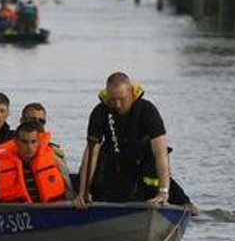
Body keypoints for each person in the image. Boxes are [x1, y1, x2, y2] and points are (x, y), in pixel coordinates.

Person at [75, 71, 196, 213]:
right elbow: (91, 154)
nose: (117, 105)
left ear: (131, 92)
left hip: (143, 161)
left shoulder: (147, 110)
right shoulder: (99, 112)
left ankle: (184, 203)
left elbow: (161, 153)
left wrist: (163, 191)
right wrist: (83, 192)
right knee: (92, 184)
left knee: (154, 173)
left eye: (122, 99)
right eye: (113, 100)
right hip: (116, 161)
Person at [0, 121, 74, 203]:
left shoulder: (54, 160)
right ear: (16, 142)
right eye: (24, 142)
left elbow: (69, 192)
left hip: (52, 210)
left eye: (33, 142)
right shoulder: (0, 166)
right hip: (17, 214)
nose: (29, 147)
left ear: (38, 142)